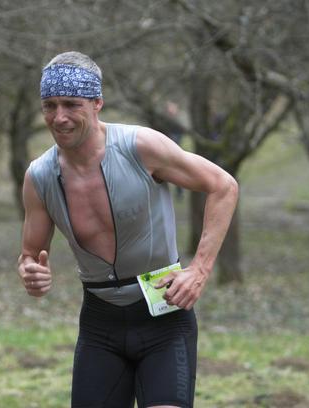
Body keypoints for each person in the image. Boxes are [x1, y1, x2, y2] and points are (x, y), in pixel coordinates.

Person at [17, 51, 238, 408]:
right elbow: (30, 255)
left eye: (71, 104)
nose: (59, 117)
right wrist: (31, 273)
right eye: (49, 106)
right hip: (100, 324)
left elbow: (223, 186)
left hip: (164, 316)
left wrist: (199, 270)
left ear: (97, 104)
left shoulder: (140, 147)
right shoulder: (39, 177)